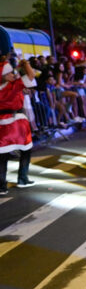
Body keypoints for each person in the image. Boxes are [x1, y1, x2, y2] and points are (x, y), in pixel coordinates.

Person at [0, 60, 37, 195]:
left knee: (2, 156)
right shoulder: (12, 86)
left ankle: (1, 186)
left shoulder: (9, 85)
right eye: (9, 73)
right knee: (26, 150)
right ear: (3, 76)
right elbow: (31, 76)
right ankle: (22, 178)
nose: (12, 74)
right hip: (15, 122)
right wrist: (25, 64)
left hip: (1, 124)